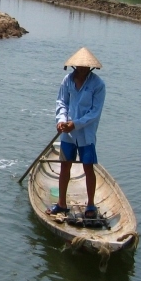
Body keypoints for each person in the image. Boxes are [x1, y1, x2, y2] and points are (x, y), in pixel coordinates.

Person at [46, 47, 106, 219]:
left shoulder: (98, 85)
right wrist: (61, 121)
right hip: (68, 133)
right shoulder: (67, 81)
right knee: (65, 165)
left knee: (88, 167)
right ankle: (62, 204)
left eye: (85, 67)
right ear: (75, 66)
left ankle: (91, 205)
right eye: (79, 66)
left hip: (86, 133)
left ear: (91, 68)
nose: (82, 69)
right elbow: (61, 102)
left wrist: (76, 124)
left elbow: (95, 112)